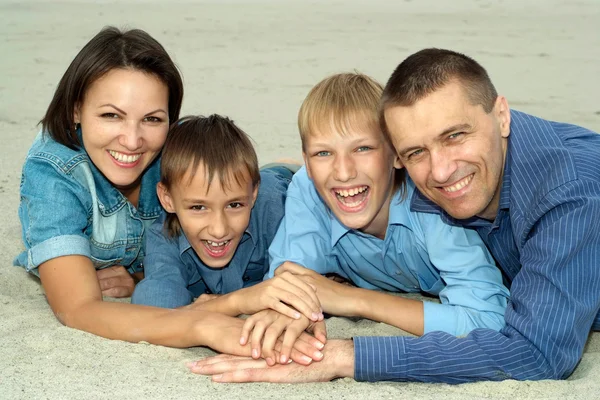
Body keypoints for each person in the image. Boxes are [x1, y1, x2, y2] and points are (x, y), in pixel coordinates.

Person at [188, 49, 600, 383]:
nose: (439, 171)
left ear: (502, 114)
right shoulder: (442, 186)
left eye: (455, 135)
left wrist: (344, 353)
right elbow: (294, 278)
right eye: (416, 151)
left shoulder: (567, 194)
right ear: (401, 156)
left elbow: (537, 352)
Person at [13, 27, 320, 359]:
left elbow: (227, 177)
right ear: (76, 110)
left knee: (269, 183)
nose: (132, 140)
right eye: (111, 115)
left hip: (269, 189)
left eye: (152, 119)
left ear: (170, 121)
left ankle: (282, 168)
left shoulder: (171, 155)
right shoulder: (54, 174)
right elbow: (78, 309)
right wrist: (204, 324)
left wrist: (139, 276)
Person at [131, 115, 325, 365]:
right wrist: (236, 302)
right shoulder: (164, 234)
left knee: (282, 175)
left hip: (277, 184)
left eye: (234, 205)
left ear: (251, 196)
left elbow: (313, 283)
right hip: (249, 182)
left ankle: (281, 166)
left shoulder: (279, 211)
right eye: (198, 208)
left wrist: (212, 306)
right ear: (167, 199)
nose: (219, 230)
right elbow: (155, 315)